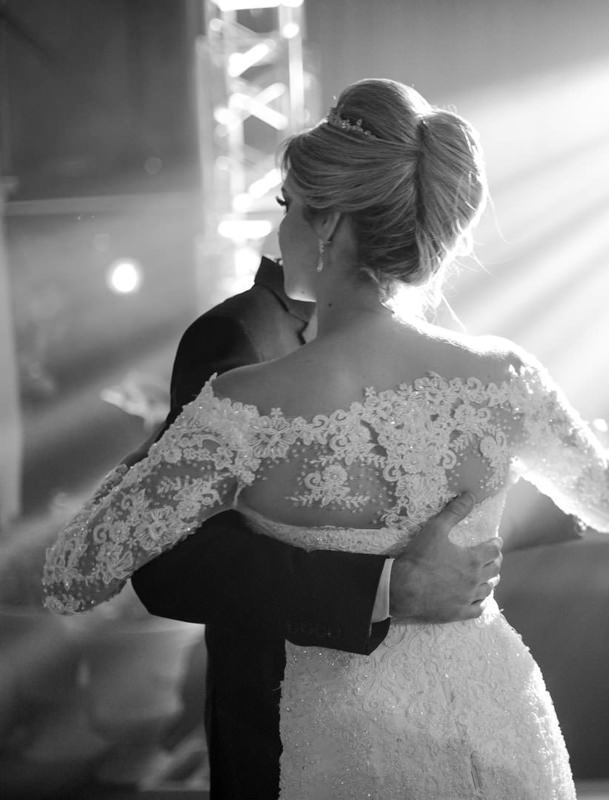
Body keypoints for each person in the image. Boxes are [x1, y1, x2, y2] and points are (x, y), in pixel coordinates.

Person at [43, 77, 609, 798]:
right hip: (498, 732)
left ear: (330, 225)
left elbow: (73, 574)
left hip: (344, 749)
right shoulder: (505, 377)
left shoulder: (245, 405)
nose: (278, 231)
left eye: (288, 207)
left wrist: (166, 445)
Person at [126, 253, 502, 799]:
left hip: (427, 712)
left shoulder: (421, 332)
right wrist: (388, 589)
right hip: (283, 725)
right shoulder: (237, 333)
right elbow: (172, 561)